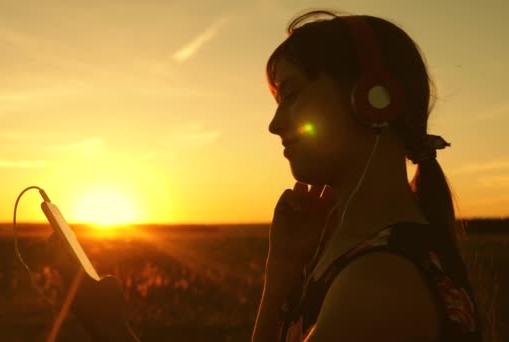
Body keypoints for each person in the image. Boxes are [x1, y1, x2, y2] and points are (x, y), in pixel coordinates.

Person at [46, 9, 489, 342]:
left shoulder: (378, 285)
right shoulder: (377, 251)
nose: (275, 125)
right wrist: (281, 275)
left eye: (291, 95)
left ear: (373, 100)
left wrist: (109, 329)